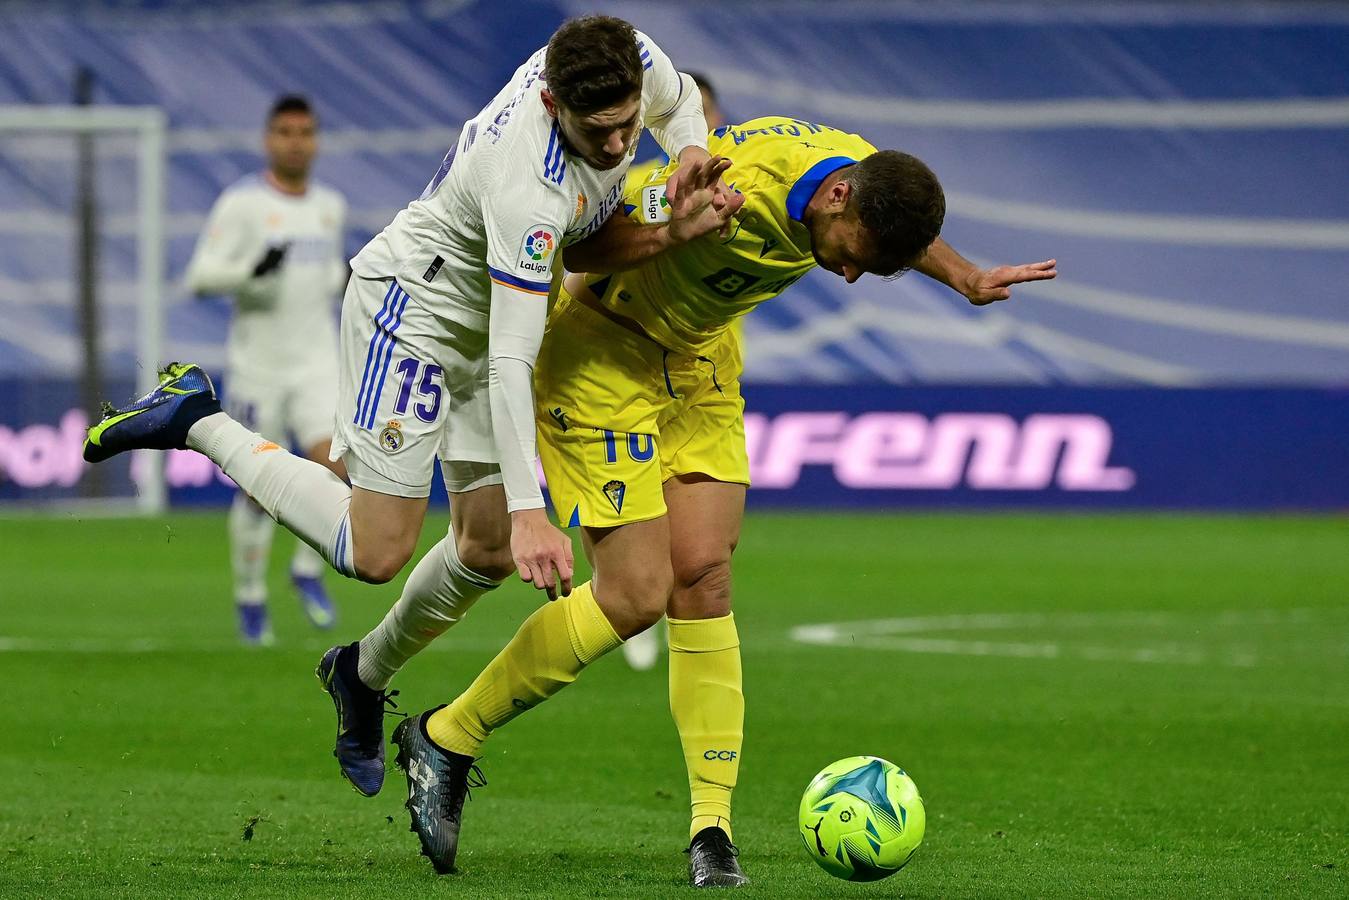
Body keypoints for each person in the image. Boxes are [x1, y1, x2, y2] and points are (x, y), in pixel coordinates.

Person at [82, 11, 736, 808]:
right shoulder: (526, 182)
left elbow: (665, 125)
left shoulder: (625, 53)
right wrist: (533, 509)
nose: (615, 145)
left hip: (486, 318)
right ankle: (196, 417)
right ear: (552, 106)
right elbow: (511, 355)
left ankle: (358, 674)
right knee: (376, 549)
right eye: (597, 132)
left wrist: (690, 151)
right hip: (420, 314)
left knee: (485, 551)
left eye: (626, 125)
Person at [382, 116, 1056, 886]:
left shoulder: (861, 178)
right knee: (635, 596)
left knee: (703, 575)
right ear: (836, 199)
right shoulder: (733, 189)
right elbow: (577, 241)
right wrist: (663, 235)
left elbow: (892, 214)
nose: (844, 278)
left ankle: (711, 826)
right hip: (603, 356)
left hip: (698, 362)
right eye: (852, 259)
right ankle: (447, 735)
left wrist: (964, 276)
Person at [183, 95, 349, 645]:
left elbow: (328, 278)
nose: (295, 141)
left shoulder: (330, 206)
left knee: (336, 467)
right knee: (257, 490)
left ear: (316, 140)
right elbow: (200, 278)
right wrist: (252, 271)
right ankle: (250, 597)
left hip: (317, 362)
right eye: (284, 131)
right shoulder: (242, 205)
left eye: (305, 131)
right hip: (258, 366)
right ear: (268, 139)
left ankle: (306, 570)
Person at [619, 72, 725, 672]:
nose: (698, 130)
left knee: (696, 528)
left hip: (705, 374)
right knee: (636, 499)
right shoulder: (639, 186)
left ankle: (660, 604)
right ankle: (636, 604)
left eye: (707, 116)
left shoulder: (740, 184)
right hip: (632, 369)